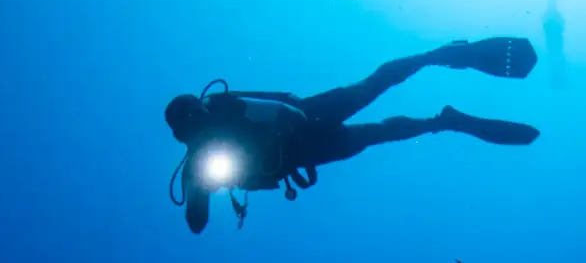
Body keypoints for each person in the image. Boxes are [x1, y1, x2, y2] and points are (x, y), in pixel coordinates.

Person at [164, 37, 542, 234]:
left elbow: (275, 110)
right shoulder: (194, 166)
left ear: (199, 110)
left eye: (195, 119)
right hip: (305, 154)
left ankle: (437, 55)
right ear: (181, 135)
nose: (196, 130)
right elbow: (196, 224)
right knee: (378, 134)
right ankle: (442, 121)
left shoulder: (222, 107)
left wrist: (291, 121)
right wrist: (200, 188)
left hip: (307, 117)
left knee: (372, 85)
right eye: (187, 131)